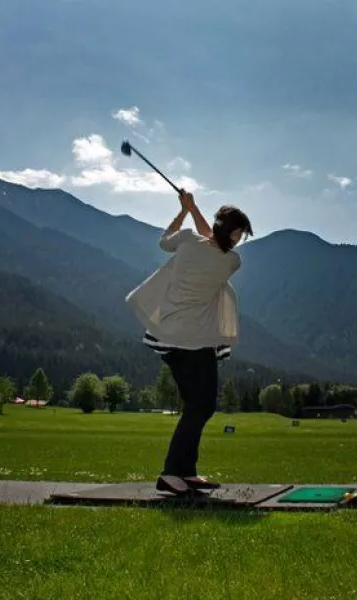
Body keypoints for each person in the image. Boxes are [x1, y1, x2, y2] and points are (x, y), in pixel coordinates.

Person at [126, 189, 253, 496]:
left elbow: (166, 240)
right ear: (231, 232)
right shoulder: (230, 261)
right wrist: (193, 209)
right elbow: (211, 239)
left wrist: (185, 210)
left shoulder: (186, 240)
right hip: (196, 343)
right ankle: (172, 472)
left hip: (168, 338)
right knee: (202, 406)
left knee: (196, 407)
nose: (239, 240)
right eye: (238, 233)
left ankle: (186, 472)